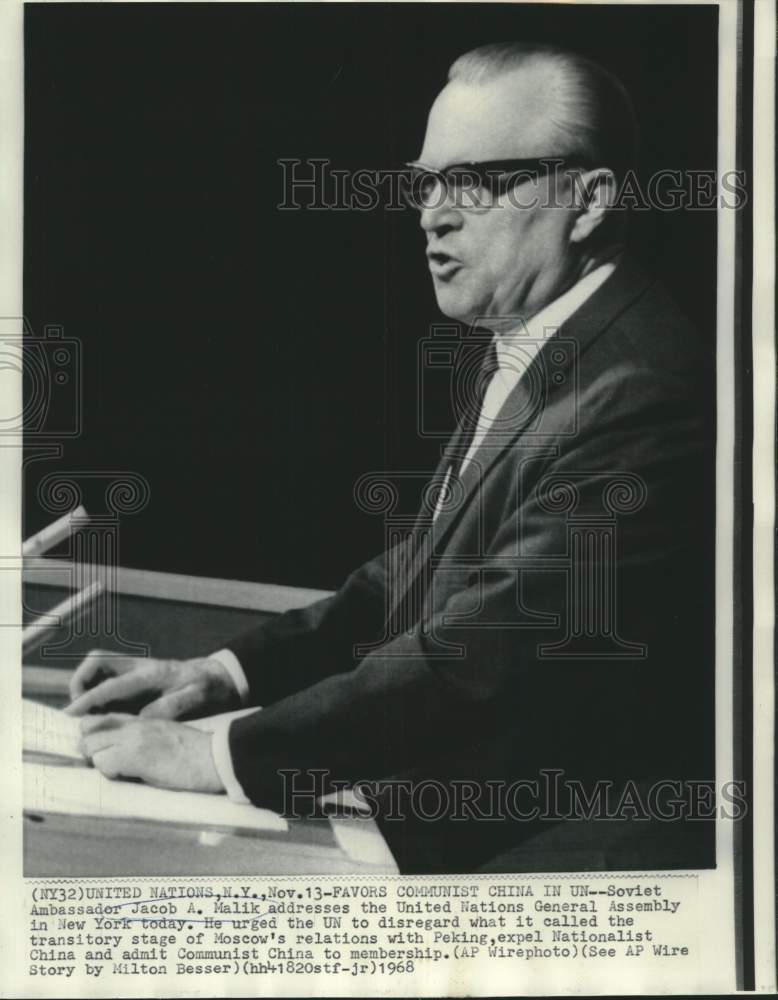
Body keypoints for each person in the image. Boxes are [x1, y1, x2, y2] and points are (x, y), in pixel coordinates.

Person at [66, 42, 715, 873]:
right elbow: (427, 570)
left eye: (472, 182)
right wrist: (222, 673)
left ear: (586, 201)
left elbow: (488, 647)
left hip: (564, 872)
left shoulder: (641, 386)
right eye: (427, 182)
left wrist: (218, 755)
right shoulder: (547, 341)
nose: (431, 215)